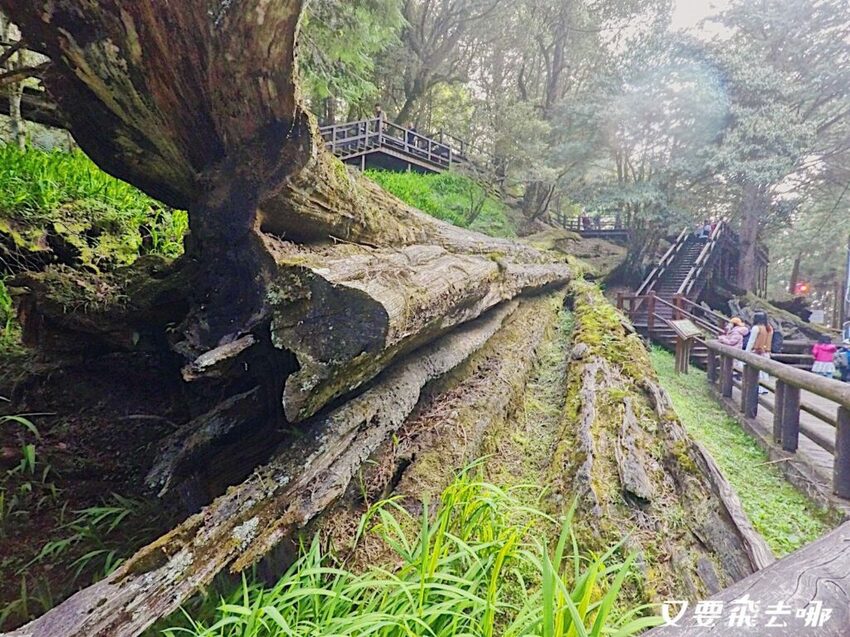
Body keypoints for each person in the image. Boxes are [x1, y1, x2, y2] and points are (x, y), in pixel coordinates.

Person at [745, 311, 774, 392]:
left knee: (758, 372)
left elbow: (751, 341)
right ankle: (765, 388)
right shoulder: (769, 328)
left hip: (757, 352)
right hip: (766, 352)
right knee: (765, 372)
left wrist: (747, 352)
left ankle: (759, 389)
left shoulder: (756, 328)